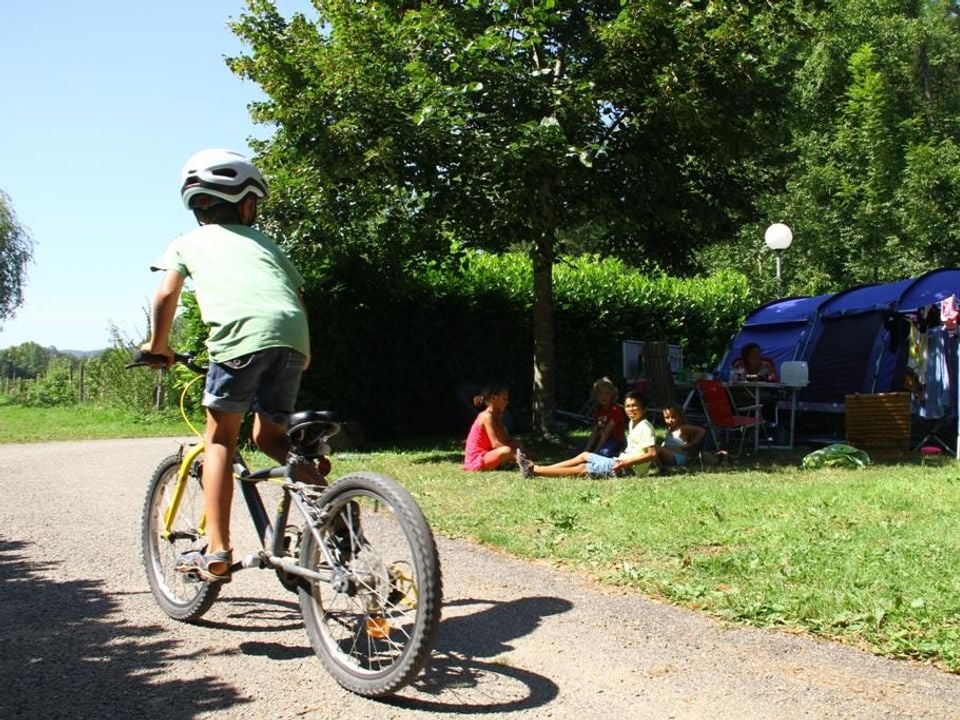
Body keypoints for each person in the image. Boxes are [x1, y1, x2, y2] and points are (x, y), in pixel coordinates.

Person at [141, 148, 311, 583]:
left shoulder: (186, 243)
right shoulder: (267, 244)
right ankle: (333, 514)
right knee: (270, 436)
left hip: (237, 341)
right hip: (292, 339)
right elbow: (295, 300)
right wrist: (301, 351)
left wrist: (158, 344)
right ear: (247, 203)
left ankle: (216, 551)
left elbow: (165, 295)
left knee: (220, 441)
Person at [518, 391, 655, 479]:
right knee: (584, 455)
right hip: (620, 462)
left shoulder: (646, 426)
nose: (630, 409)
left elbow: (652, 453)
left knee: (583, 469)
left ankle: (535, 470)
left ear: (644, 408)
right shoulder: (632, 423)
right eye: (627, 406)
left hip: (627, 469)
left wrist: (626, 463)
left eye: (634, 406)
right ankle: (539, 468)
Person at [463, 382, 525, 471]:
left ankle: (508, 462)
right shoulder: (486, 417)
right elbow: (495, 444)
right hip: (477, 459)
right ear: (493, 398)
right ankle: (513, 462)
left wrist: (519, 448)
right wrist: (517, 456)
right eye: (504, 399)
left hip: (488, 453)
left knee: (516, 445)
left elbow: (505, 439)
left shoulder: (497, 416)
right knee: (506, 451)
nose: (507, 402)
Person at [576, 377, 626, 457]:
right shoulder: (599, 410)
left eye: (606, 393)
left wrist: (595, 451)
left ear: (612, 395)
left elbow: (607, 432)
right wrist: (587, 449)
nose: (603, 397)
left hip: (614, 439)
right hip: (600, 438)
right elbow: (595, 431)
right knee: (579, 450)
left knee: (603, 454)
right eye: (600, 394)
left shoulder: (615, 410)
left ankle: (618, 452)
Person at [655, 404, 707, 470]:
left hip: (678, 457)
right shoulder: (670, 429)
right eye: (667, 418)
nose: (670, 420)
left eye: (673, 417)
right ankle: (662, 466)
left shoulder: (682, 428)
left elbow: (702, 431)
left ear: (679, 416)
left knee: (655, 449)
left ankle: (662, 469)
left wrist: (692, 444)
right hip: (670, 455)